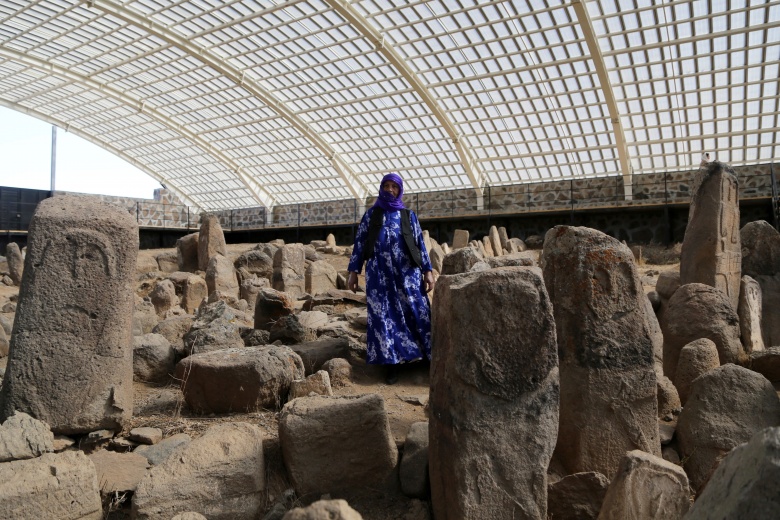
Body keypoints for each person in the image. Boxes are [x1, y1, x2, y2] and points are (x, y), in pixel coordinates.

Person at [347, 173, 435, 384]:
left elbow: (419, 245)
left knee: (417, 311)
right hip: (380, 277)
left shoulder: (408, 215)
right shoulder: (371, 215)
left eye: (393, 186)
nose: (389, 190)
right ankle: (391, 364)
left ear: (400, 189)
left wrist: (428, 271)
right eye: (386, 186)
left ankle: (426, 358)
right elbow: (360, 243)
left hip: (407, 275)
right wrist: (353, 272)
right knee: (384, 317)